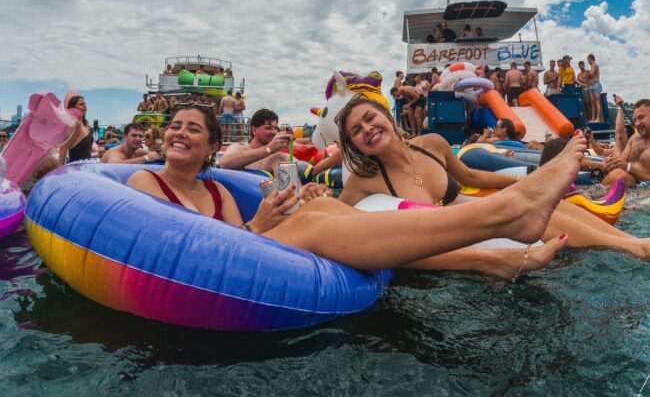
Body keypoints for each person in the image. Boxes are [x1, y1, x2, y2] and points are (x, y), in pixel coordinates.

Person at [127, 103, 589, 277]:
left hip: (239, 260)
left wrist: (267, 219)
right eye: (174, 126)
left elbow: (239, 245)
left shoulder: (217, 195)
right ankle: (506, 217)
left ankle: (498, 247)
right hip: (193, 274)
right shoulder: (143, 182)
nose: (179, 133)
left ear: (209, 145)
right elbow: (193, 250)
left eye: (193, 128)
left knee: (324, 208)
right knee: (313, 218)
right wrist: (258, 224)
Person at [336, 95, 650, 262]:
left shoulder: (431, 144)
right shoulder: (365, 180)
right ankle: (634, 249)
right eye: (356, 131)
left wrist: (525, 183)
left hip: (470, 207)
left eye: (370, 118)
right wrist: (311, 196)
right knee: (525, 210)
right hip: (456, 234)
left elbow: (470, 174)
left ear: (387, 118)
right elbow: (335, 219)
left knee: (548, 203)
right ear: (354, 144)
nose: (367, 130)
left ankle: (631, 241)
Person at [220, 108, 294, 176]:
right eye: (269, 128)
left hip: (275, 188)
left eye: (275, 128)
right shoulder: (238, 147)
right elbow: (224, 163)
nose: (274, 132)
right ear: (254, 130)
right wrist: (269, 149)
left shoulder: (278, 156)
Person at [602, 99, 650, 187]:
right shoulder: (635, 138)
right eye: (635, 120)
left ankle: (594, 199)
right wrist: (612, 164)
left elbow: (625, 165)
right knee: (617, 174)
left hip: (644, 189)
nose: (637, 123)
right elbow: (622, 159)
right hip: (630, 182)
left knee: (618, 175)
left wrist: (627, 166)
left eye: (641, 117)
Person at [58, 95, 93, 164]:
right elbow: (63, 149)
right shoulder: (75, 125)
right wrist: (59, 171)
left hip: (87, 166)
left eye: (85, 104)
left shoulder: (85, 124)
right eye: (81, 104)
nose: (84, 106)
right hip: (76, 169)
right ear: (73, 108)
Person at [587, 54, 603, 122]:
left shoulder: (595, 65)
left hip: (596, 85)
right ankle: (593, 118)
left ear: (590, 59)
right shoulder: (592, 66)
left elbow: (591, 73)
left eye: (588, 60)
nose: (588, 62)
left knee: (597, 102)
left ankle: (598, 118)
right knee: (592, 103)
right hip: (591, 86)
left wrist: (586, 74)